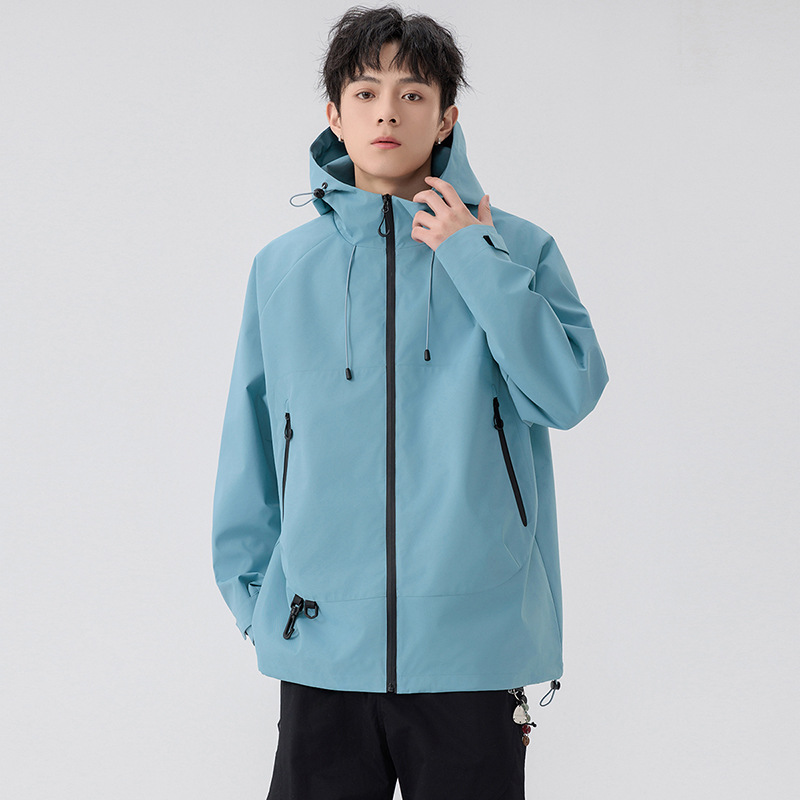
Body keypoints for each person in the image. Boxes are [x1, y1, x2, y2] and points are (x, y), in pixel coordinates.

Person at [211, 5, 609, 798]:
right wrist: (258, 601)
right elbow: (250, 442)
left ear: (447, 116)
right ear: (335, 114)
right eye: (365, 92)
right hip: (321, 642)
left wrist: (473, 256)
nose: (387, 112)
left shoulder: (517, 249)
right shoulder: (281, 270)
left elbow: (566, 393)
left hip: (473, 648)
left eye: (413, 93)